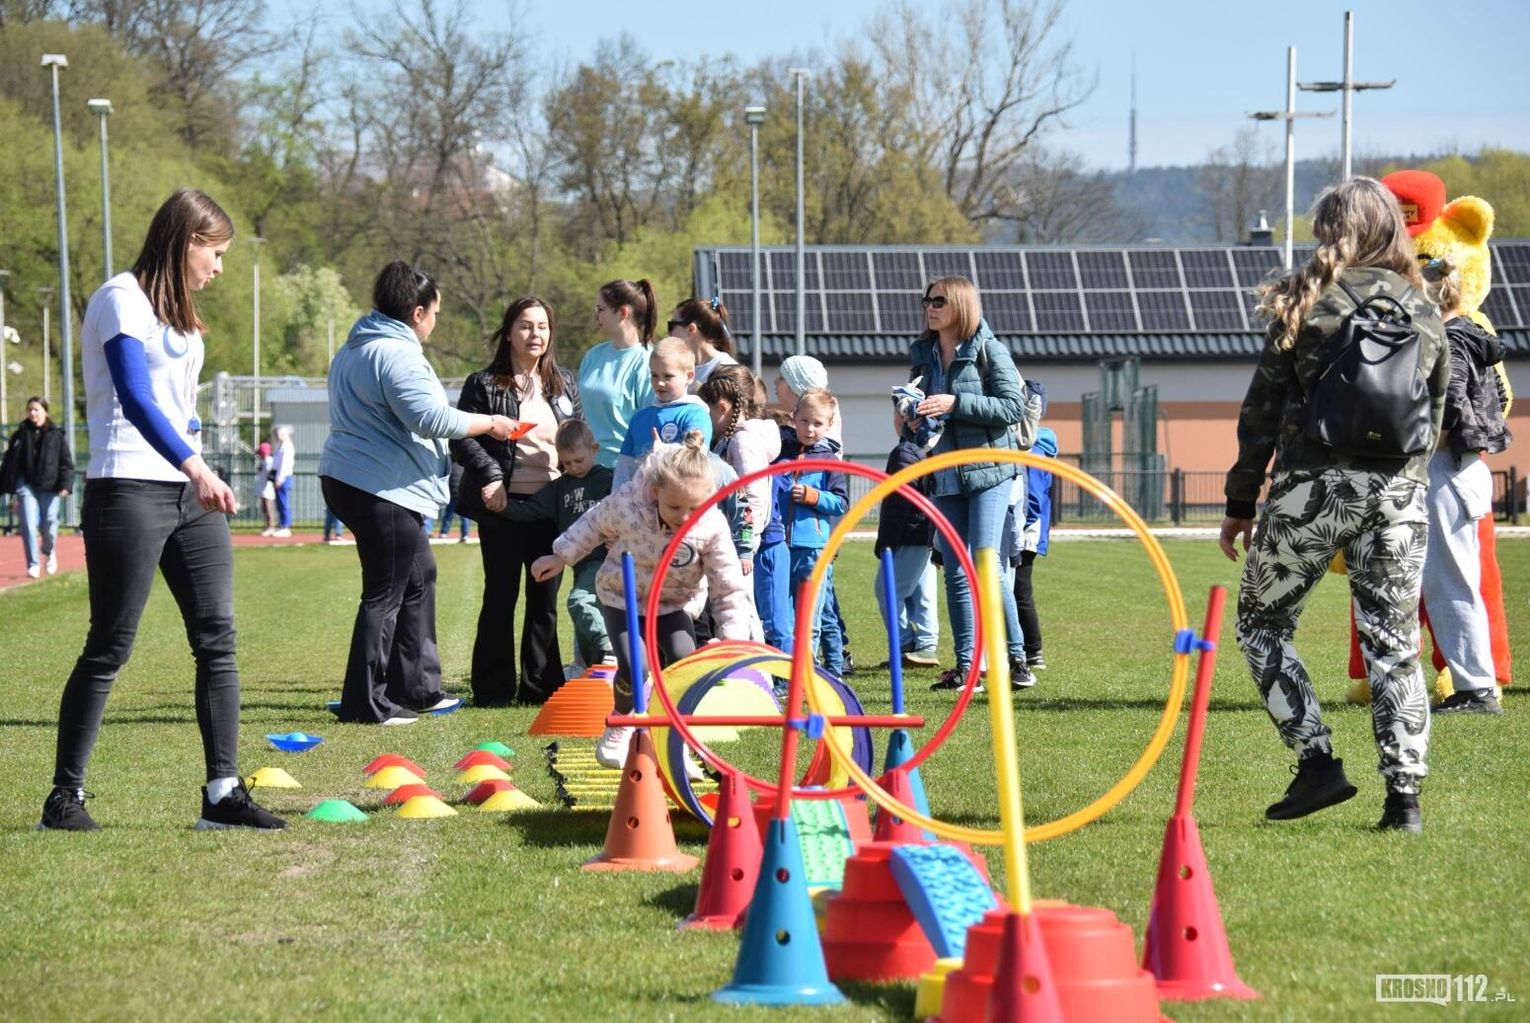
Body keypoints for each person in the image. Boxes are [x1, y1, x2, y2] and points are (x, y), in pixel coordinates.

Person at [39, 188, 285, 830]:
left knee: (217, 639)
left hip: (189, 496)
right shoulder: (120, 298)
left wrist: (196, 457)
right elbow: (135, 396)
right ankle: (64, 798)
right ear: (186, 241)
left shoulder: (180, 315)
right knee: (110, 645)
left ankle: (222, 795)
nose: (220, 267)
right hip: (128, 488)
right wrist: (196, 465)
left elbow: (179, 405)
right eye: (215, 253)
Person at [1219, 177, 1449, 834]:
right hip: (1399, 493)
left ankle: (1317, 761)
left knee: (1262, 624)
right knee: (1395, 645)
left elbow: (1261, 411)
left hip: (1312, 488)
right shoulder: (1424, 306)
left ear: (1331, 230)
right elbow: (1433, 417)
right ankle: (1403, 800)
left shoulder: (1307, 299)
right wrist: (1403, 483)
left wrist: (1241, 501)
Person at [320, 261, 517, 725]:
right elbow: (430, 418)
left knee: (418, 575)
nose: (435, 324)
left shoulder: (355, 348)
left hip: (357, 480)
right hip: (381, 487)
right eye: (435, 314)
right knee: (385, 592)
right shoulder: (397, 353)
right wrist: (491, 423)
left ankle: (415, 688)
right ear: (417, 312)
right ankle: (366, 702)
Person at [532, 431, 751, 768]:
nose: (683, 516)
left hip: (674, 603)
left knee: (683, 660)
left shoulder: (711, 525)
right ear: (655, 490)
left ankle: (676, 739)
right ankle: (621, 721)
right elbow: (593, 523)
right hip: (623, 597)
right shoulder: (630, 504)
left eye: (693, 508)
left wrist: (732, 637)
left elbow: (728, 586)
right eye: (674, 506)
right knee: (637, 665)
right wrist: (560, 555)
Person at [452, 296, 581, 706]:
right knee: (500, 596)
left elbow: (575, 437)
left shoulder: (564, 383)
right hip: (502, 508)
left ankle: (540, 686)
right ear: (508, 332)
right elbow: (463, 438)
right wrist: (492, 478)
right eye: (526, 326)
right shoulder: (483, 384)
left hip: (551, 508)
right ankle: (492, 688)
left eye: (542, 326)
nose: (535, 334)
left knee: (544, 601)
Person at [907, 276, 1027, 693]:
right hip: (946, 471)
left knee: (986, 561)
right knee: (954, 568)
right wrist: (910, 415)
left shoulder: (989, 349)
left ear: (960, 304)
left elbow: (1013, 407)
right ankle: (967, 667)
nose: (930, 307)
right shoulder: (923, 354)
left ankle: (1016, 659)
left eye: (939, 300)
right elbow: (921, 406)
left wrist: (956, 403)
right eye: (927, 301)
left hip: (989, 469)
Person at [1418, 257, 1511, 715]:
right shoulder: (1473, 337)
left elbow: (1449, 411)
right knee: (1455, 579)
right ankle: (1476, 685)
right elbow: (1497, 400)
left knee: (1449, 582)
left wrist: (1410, 449)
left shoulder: (1449, 341)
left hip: (1447, 468)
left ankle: (1476, 688)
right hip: (1466, 469)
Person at [497, 418, 615, 671]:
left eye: (579, 460)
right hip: (580, 564)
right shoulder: (559, 487)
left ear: (594, 449)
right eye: (567, 463)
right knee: (588, 617)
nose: (573, 467)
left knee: (580, 602)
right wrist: (502, 505)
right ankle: (596, 668)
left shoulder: (609, 480)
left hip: (606, 560)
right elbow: (530, 510)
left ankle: (609, 648)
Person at [774, 388, 848, 675]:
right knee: (783, 617)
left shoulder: (829, 460)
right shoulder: (780, 453)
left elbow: (841, 503)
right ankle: (786, 673)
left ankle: (808, 673)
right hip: (781, 545)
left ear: (829, 425)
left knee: (810, 618)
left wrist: (813, 496)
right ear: (794, 417)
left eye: (817, 423)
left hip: (814, 548)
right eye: (804, 421)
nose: (810, 429)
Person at [873, 404, 939, 668]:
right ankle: (926, 644)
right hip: (927, 532)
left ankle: (905, 643)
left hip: (911, 532)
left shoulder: (905, 451)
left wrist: (886, 542)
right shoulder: (932, 448)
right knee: (922, 592)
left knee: (887, 589)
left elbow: (898, 501)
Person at [612, 337, 712, 487]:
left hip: (680, 497)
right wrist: (618, 497)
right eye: (654, 375)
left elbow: (695, 462)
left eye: (668, 376)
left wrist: (662, 452)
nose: (659, 382)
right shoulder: (639, 419)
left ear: (689, 376)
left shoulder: (695, 415)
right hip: (640, 500)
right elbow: (624, 470)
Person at [580, 279, 657, 469]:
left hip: (623, 471)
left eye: (600, 309)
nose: (595, 316)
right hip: (584, 469)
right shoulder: (593, 355)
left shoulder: (648, 361)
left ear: (622, 312)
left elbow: (651, 425)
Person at [1, 396, 74, 578]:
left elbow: (66, 463)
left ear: (45, 411)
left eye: (36, 409)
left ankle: (49, 552)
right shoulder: (20, 433)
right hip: (25, 484)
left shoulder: (56, 435)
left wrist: (65, 484)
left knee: (49, 521)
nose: (32, 413)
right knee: (28, 523)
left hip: (50, 484)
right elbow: (10, 461)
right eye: (30, 410)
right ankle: (33, 564)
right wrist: (6, 484)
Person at [1015, 382, 1057, 672]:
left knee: (1020, 591)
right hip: (1026, 528)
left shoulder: (1033, 452)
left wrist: (1024, 526)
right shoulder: (1032, 448)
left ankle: (1033, 650)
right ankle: (1025, 648)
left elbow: (1034, 497)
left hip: (1026, 531)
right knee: (1017, 590)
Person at [669, 297, 738, 391]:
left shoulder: (727, 370)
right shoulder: (678, 368)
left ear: (691, 329)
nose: (669, 333)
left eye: (672, 326)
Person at [270, 424, 295, 536]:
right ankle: (281, 525)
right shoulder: (280, 446)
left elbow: (284, 465)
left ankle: (285, 526)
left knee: (283, 502)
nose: (276, 436)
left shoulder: (287, 447)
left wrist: (279, 479)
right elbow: (275, 464)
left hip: (284, 478)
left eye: (278, 434)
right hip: (278, 477)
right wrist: (272, 478)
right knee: (279, 503)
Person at [256, 440, 276, 536]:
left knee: (268, 508)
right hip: (262, 487)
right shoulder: (263, 461)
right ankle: (266, 526)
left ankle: (271, 527)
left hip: (268, 487)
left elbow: (271, 474)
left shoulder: (269, 461)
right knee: (264, 508)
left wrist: (272, 482)